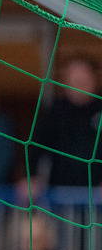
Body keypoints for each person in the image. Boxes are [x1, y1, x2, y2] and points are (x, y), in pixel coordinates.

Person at [28, 55, 102, 189]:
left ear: (93, 78)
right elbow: (36, 146)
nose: (77, 83)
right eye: (73, 80)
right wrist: (31, 177)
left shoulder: (99, 108)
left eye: (82, 79)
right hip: (59, 195)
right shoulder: (55, 111)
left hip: (97, 197)